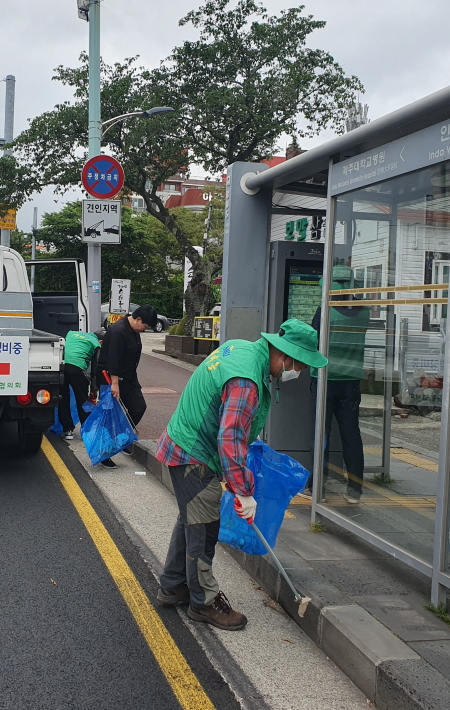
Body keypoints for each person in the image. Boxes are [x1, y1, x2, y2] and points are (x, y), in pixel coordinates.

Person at [155, 319, 328, 630]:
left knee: (191, 520)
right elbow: (230, 436)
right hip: (194, 454)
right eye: (299, 365)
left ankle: (173, 585)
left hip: (184, 444)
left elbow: (233, 427)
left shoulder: (243, 349)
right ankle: (204, 602)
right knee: (205, 529)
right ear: (285, 355)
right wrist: (243, 490)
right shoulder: (246, 380)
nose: (298, 372)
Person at [310, 266, 371, 504]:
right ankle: (355, 488)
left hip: (325, 379)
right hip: (352, 381)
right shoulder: (364, 311)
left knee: (321, 434)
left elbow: (313, 341)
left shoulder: (325, 310)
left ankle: (318, 487)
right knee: (351, 434)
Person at [97, 305, 156, 468]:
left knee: (138, 407)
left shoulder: (133, 330)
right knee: (109, 416)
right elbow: (113, 360)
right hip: (110, 379)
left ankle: (121, 438)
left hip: (129, 378)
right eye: (145, 326)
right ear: (138, 319)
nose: (144, 330)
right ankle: (104, 453)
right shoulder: (118, 331)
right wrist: (114, 384)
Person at [57, 330, 101, 440]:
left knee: (63, 398)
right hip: (77, 369)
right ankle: (87, 431)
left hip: (61, 367)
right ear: (101, 341)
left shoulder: (71, 334)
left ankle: (68, 430)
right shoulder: (96, 343)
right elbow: (96, 368)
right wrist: (94, 387)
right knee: (82, 400)